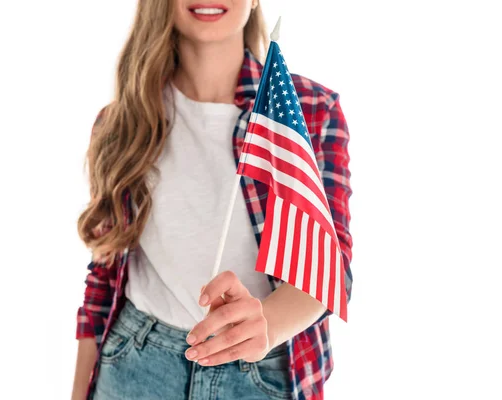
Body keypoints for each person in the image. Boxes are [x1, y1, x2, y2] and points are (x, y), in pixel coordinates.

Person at [71, 1, 353, 399]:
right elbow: (100, 287)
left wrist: (266, 323)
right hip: (135, 366)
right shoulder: (122, 122)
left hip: (263, 376)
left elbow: (329, 268)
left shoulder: (309, 110)